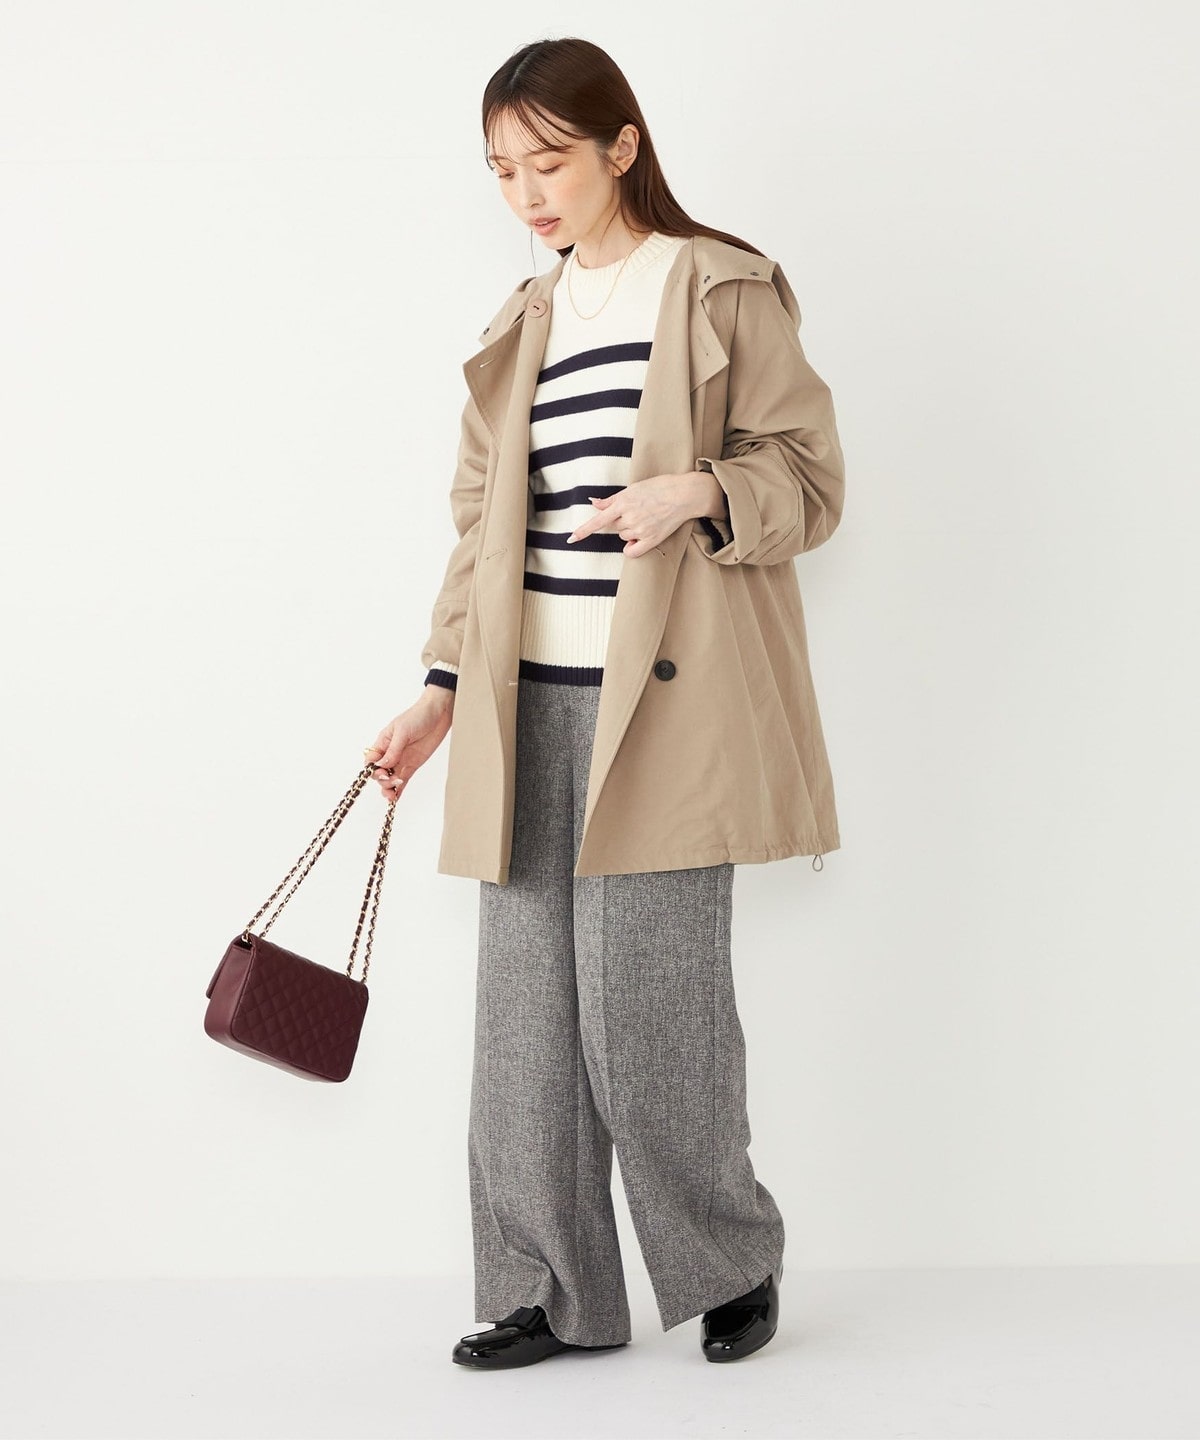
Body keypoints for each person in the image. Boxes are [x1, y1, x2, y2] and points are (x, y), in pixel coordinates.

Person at [364, 36, 845, 1369]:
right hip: (524, 709)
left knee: (651, 1008)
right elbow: (482, 535)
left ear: (622, 146)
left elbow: (812, 481)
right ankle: (549, 1291)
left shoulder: (720, 287)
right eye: (502, 171)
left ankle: (729, 1259)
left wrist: (699, 491)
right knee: (525, 1028)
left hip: (665, 711)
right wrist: (439, 687)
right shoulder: (518, 325)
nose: (526, 194)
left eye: (549, 162)